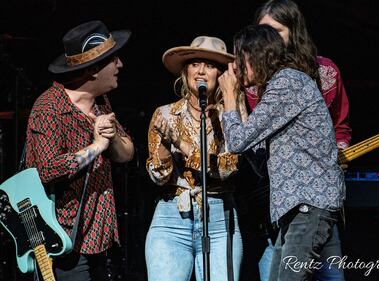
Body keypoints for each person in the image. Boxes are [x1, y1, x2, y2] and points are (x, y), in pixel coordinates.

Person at [219, 24, 346, 280]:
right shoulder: (281, 85)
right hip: (298, 209)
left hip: (308, 206)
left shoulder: (288, 82)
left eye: (237, 57)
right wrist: (240, 112)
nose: (234, 67)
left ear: (253, 55)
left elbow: (236, 142)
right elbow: (261, 163)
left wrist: (230, 98)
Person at [25, 20, 134, 280]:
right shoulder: (50, 108)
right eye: (114, 59)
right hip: (62, 240)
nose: (120, 65)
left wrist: (111, 138)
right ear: (94, 69)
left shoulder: (100, 103)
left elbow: (126, 154)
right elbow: (48, 170)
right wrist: (96, 147)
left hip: (99, 236)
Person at [145, 36, 244, 281]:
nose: (200, 71)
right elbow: (159, 177)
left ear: (221, 74)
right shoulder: (165, 114)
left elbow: (227, 168)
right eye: (195, 64)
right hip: (171, 217)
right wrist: (165, 148)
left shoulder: (232, 115)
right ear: (185, 70)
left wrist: (183, 145)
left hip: (220, 218)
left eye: (209, 65)